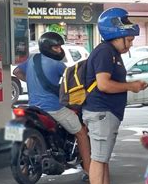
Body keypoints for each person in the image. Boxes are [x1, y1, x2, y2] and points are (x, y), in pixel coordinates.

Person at [82, 8, 148, 184]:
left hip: (106, 112)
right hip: (101, 111)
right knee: (99, 159)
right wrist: (131, 86)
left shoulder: (110, 52)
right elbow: (103, 84)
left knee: (103, 158)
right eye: (128, 40)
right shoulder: (104, 52)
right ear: (114, 34)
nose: (129, 45)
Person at [13, 32, 91, 176]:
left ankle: (24, 169)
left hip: (33, 108)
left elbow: (17, 72)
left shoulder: (32, 59)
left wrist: (31, 81)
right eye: (56, 47)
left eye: (60, 47)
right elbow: (71, 82)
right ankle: (89, 170)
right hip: (54, 109)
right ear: (48, 48)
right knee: (81, 133)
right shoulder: (58, 65)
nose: (59, 50)